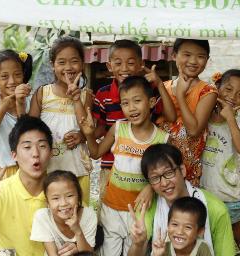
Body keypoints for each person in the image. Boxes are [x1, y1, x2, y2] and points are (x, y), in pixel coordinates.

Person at [80, 76, 171, 256]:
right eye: (125, 103)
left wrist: (151, 188)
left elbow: (167, 174)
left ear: (152, 102)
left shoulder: (162, 139)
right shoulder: (118, 128)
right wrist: (89, 135)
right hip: (111, 207)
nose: (131, 108)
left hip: (140, 213)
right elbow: (96, 152)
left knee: (135, 251)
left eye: (137, 101)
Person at [93, 39, 176, 201]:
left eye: (130, 63)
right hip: (111, 166)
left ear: (140, 64)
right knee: (111, 212)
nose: (124, 68)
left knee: (144, 214)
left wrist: (159, 84)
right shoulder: (103, 94)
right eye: (118, 63)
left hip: (145, 168)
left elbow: (171, 117)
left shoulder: (148, 92)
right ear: (109, 66)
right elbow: (100, 129)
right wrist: (85, 134)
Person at [20, 36, 93, 206]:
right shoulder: (42, 93)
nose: (68, 67)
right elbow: (30, 128)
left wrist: (81, 136)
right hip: (48, 169)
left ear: (82, 64)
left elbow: (89, 127)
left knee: (78, 213)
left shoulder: (86, 95)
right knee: (48, 215)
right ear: (52, 65)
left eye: (74, 61)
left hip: (77, 169)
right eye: (61, 62)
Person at [128, 143, 235, 256]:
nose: (164, 183)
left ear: (183, 170)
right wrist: (138, 244)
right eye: (155, 178)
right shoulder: (148, 206)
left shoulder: (215, 208)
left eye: (169, 173)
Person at [0, 115, 53, 256]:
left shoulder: (62, 193)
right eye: (27, 147)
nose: (35, 154)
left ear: (51, 153)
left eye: (42, 146)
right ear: (14, 155)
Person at [157, 38, 218, 186]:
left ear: (207, 60)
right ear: (174, 56)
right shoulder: (162, 87)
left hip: (188, 173)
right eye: (187, 54)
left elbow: (194, 130)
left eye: (201, 56)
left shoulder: (208, 91)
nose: (193, 61)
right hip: (158, 168)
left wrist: (180, 96)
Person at [201, 69, 240, 249]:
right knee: (211, 246)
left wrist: (231, 119)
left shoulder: (237, 121)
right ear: (217, 87)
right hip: (205, 197)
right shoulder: (203, 116)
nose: (233, 96)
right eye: (229, 89)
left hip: (233, 199)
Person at [0, 49, 32, 178]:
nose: (12, 81)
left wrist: (20, 104)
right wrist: (2, 109)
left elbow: (29, 132)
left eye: (17, 74)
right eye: (4, 76)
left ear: (23, 74)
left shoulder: (29, 101)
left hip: (25, 168)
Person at [31, 170, 97, 255]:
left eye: (69, 196)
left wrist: (78, 231)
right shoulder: (43, 217)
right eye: (55, 198)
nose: (63, 203)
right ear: (47, 202)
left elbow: (88, 253)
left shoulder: (89, 215)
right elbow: (52, 254)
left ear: (79, 196)